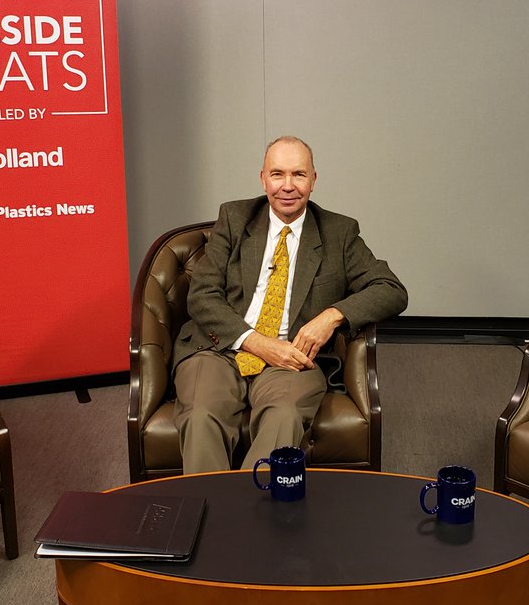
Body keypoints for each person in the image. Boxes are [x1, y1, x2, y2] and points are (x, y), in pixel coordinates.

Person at [172, 136, 408, 476]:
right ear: (263, 179)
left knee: (283, 417)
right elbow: (202, 295)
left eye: (298, 174)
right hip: (219, 348)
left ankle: (250, 507)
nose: (287, 186)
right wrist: (256, 342)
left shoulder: (339, 232)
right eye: (277, 174)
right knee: (200, 416)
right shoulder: (235, 218)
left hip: (293, 358)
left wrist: (331, 317)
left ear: (313, 180)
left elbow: (391, 289)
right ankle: (211, 506)